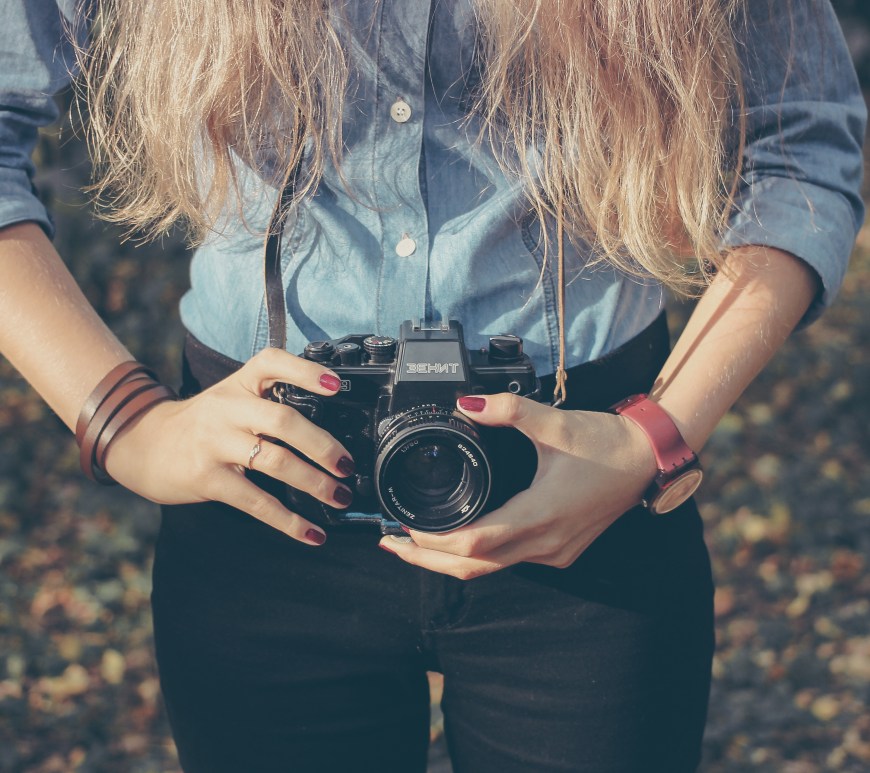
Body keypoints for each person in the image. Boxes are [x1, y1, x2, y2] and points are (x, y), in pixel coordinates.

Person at [0, 0, 864, 771]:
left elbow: (803, 148)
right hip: (265, 493)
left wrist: (654, 437)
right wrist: (127, 424)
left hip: (588, 481)